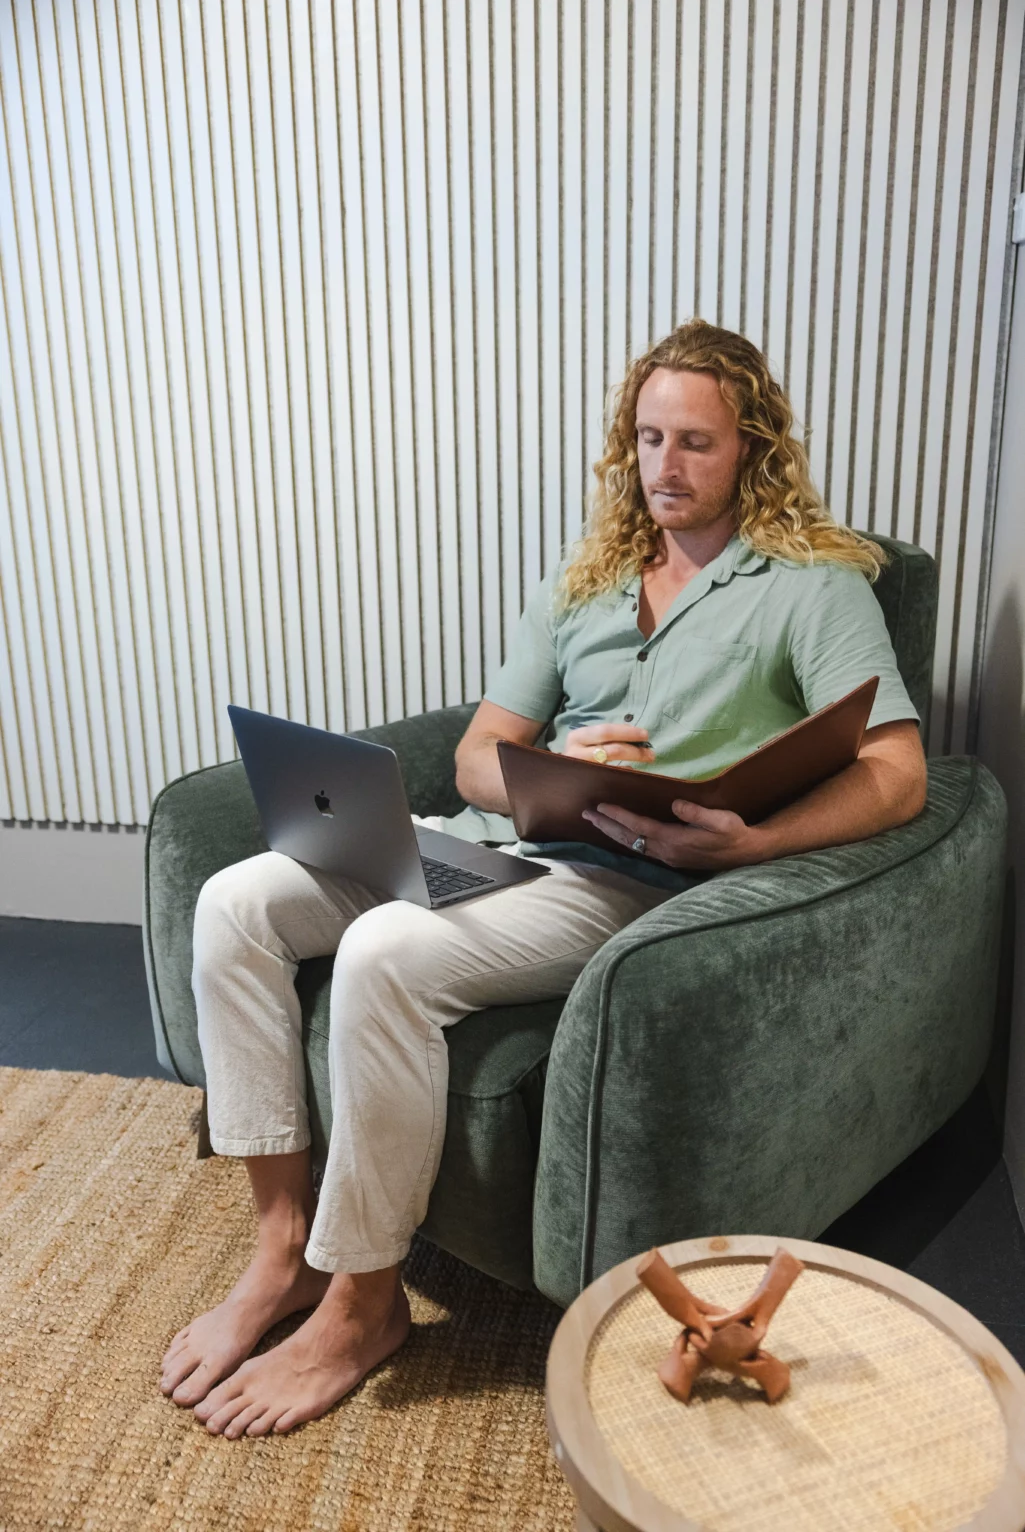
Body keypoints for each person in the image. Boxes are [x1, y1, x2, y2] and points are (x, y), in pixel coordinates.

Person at [159, 319, 926, 1438]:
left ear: (753, 450)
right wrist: (544, 773)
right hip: (502, 844)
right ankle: (284, 1248)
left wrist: (752, 845)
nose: (664, 468)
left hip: (629, 880)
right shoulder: (586, 578)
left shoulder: (813, 586)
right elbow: (479, 751)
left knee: (382, 953)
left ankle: (364, 1307)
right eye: (648, 439)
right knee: (236, 899)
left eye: (696, 445)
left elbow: (898, 772)